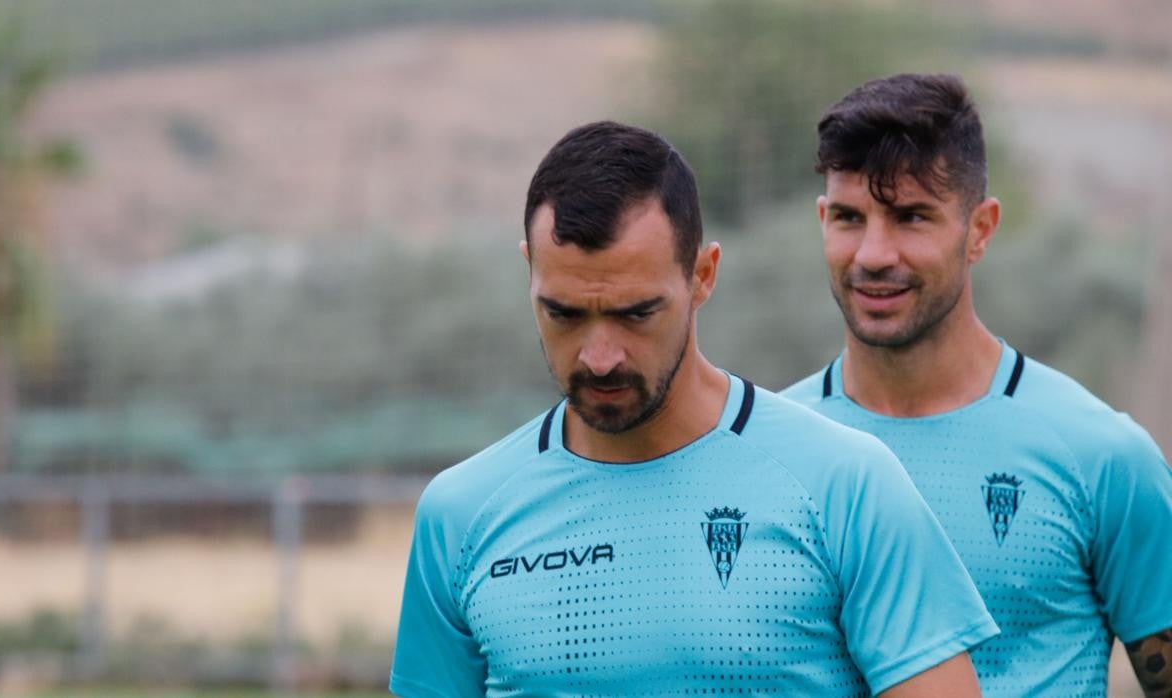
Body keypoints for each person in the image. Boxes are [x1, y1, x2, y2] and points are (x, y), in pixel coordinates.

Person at [390, 120, 997, 697]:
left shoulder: (846, 485)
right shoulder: (460, 516)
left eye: (636, 314)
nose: (599, 356)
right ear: (530, 272)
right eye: (565, 314)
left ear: (702, 276)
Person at [782, 73, 1172, 697]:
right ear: (823, 221)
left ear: (981, 230)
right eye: (850, 218)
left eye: (912, 217)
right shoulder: (773, 453)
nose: (874, 253)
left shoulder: (1102, 456)